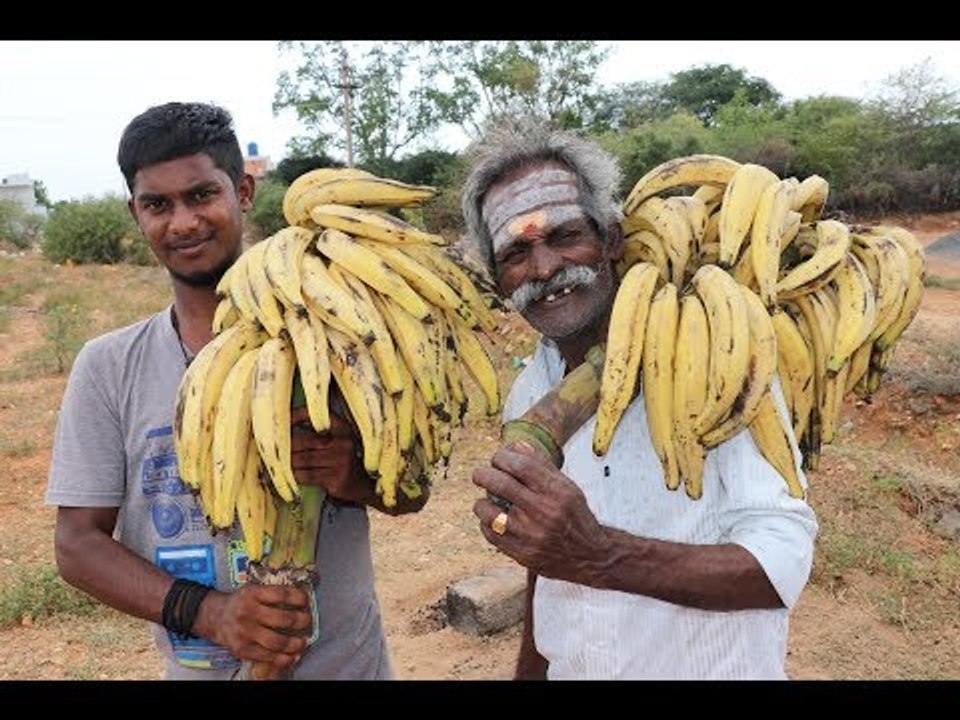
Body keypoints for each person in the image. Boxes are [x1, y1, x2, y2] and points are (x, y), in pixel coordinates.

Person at [44, 101, 427, 680]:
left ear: (243, 191)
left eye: (201, 195)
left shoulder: (337, 340)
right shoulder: (108, 367)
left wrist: (351, 476)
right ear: (135, 213)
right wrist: (210, 614)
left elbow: (412, 493)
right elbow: (77, 545)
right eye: (157, 205)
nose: (183, 223)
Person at [461, 120, 818, 680]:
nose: (545, 268)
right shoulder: (532, 389)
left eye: (564, 236)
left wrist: (600, 554)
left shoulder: (720, 359)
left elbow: (781, 564)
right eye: (516, 253)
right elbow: (546, 563)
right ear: (498, 279)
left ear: (610, 239)